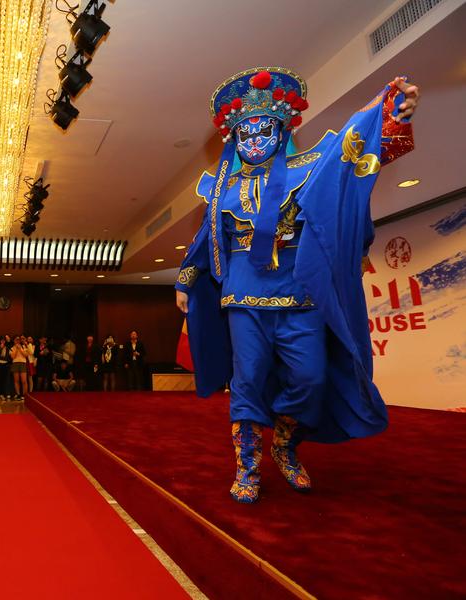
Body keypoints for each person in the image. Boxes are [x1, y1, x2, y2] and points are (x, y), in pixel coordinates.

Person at [175, 68, 419, 503]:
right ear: (233, 137)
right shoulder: (220, 187)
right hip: (243, 294)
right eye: (244, 132)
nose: (253, 139)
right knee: (247, 379)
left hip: (298, 291)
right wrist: (187, 279)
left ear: (281, 128)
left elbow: (353, 157)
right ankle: (247, 465)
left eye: (263, 128)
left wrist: (391, 117)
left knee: (310, 378)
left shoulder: (311, 168)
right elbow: (205, 239)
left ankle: (284, 444)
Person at [9, 336, 29, 400]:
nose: (17, 341)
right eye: (16, 340)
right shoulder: (12, 348)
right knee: (16, 380)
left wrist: (20, 348)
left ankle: (24, 394)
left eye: (18, 340)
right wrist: (16, 349)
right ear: (14, 341)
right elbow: (13, 357)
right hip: (15, 363)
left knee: (24, 381)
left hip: (23, 363)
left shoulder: (23, 347)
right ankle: (18, 394)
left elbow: (26, 355)